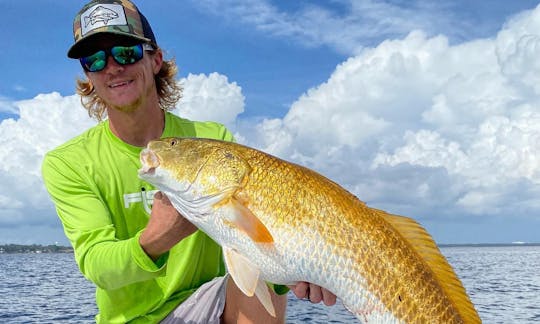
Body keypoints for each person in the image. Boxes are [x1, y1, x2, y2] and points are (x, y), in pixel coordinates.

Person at [42, 0, 336, 323]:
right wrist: (158, 237)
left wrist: (302, 268)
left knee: (266, 270)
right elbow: (97, 264)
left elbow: (255, 233)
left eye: (126, 52)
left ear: (155, 60)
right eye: (94, 59)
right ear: (88, 74)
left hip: (211, 305)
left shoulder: (215, 138)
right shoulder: (67, 163)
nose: (112, 67)